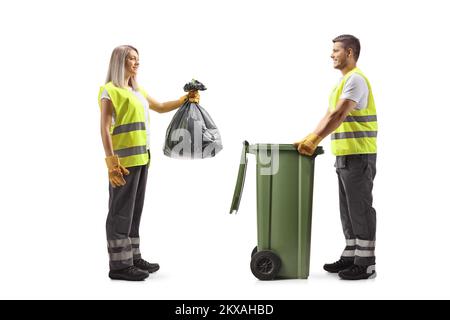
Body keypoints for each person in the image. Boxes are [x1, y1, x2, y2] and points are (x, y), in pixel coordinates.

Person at [99, 45, 199, 281]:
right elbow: (104, 128)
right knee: (120, 213)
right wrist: (111, 162)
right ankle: (119, 267)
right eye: (131, 59)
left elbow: (161, 107)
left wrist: (186, 99)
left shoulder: (137, 91)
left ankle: (132, 257)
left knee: (134, 212)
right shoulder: (109, 91)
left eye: (137, 59)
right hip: (122, 163)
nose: (136, 62)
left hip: (142, 159)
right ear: (119, 62)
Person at [294, 35, 377, 280]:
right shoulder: (342, 84)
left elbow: (339, 115)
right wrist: (310, 136)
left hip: (359, 154)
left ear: (349, 52)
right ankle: (351, 255)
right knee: (348, 210)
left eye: (336, 50)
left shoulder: (356, 80)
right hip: (344, 155)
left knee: (360, 209)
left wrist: (315, 140)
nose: (332, 55)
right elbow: (329, 114)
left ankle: (366, 263)